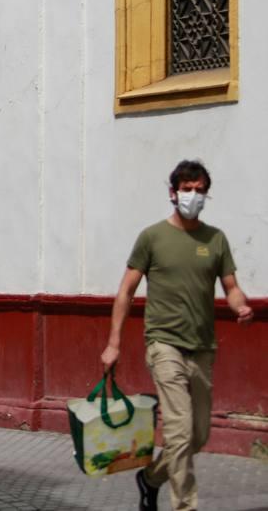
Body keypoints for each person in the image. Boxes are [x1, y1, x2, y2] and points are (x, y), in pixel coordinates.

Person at [100, 160, 254, 511]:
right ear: (173, 193)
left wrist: (239, 306)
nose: (193, 196)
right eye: (187, 189)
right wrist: (113, 343)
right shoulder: (152, 237)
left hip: (202, 347)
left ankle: (151, 478)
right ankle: (185, 506)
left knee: (197, 436)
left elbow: (231, 287)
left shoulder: (215, 239)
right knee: (180, 433)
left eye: (200, 190)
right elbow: (126, 291)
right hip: (164, 344)